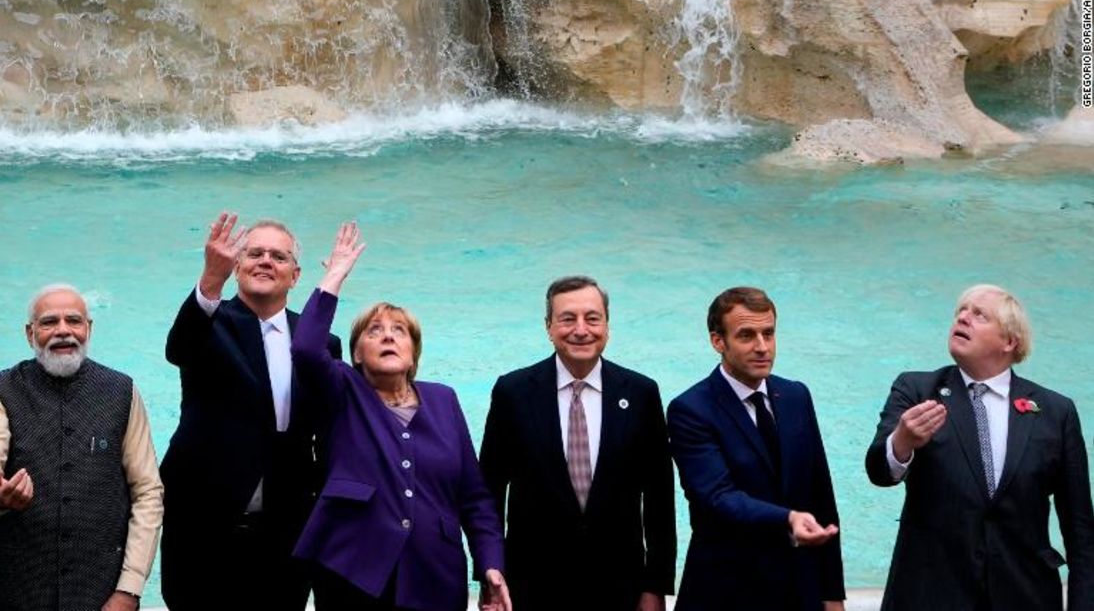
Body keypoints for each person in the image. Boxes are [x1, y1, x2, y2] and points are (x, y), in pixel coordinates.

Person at [291, 221, 511, 611]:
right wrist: (334, 277)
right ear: (357, 354)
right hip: (352, 571)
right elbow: (306, 348)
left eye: (399, 331)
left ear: (414, 352)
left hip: (435, 576)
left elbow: (474, 498)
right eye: (374, 331)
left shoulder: (444, 400)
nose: (389, 336)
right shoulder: (344, 389)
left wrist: (491, 565)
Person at [865, 284, 1094, 611]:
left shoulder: (1056, 412)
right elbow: (879, 472)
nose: (963, 317)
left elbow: (1080, 530)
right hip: (930, 596)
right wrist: (902, 441)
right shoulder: (916, 389)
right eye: (961, 311)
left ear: (1009, 341)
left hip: (1025, 595)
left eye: (979, 314)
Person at [159, 213, 342, 610]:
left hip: (285, 526)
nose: (265, 261)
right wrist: (210, 279)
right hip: (205, 523)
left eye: (278, 256)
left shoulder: (322, 344)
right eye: (254, 253)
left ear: (295, 275)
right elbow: (179, 348)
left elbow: (330, 433)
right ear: (237, 266)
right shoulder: (209, 322)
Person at [479, 275, 676, 611]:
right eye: (568, 319)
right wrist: (489, 571)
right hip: (532, 584)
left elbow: (659, 498)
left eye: (592, 318)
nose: (581, 330)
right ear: (548, 327)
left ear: (607, 326)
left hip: (619, 584)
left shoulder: (641, 393)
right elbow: (489, 491)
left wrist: (655, 586)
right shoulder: (513, 392)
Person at [0, 284, 164, 611]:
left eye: (74, 321)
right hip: (16, 591)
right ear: (30, 333)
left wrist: (130, 590)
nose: (63, 331)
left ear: (89, 329)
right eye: (49, 322)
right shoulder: (1, 389)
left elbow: (148, 491)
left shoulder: (122, 392)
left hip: (101, 594)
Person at [668, 286, 844, 611]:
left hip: (798, 591)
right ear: (718, 341)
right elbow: (718, 497)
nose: (762, 347)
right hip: (725, 592)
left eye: (769, 333)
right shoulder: (690, 409)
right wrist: (788, 518)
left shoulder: (796, 396)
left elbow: (820, 495)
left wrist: (832, 593)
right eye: (747, 335)